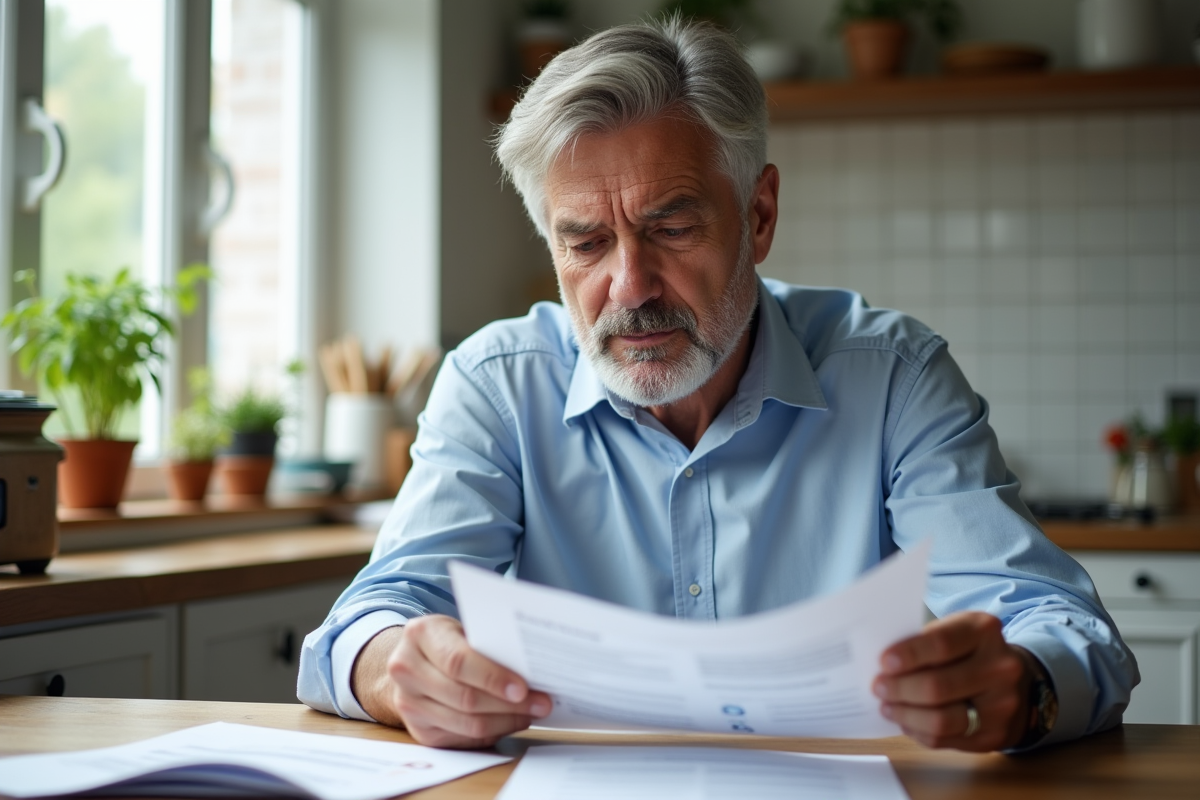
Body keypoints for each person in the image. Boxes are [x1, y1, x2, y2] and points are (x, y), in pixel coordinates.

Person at [298, 17, 1137, 753]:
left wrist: (1024, 685)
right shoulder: (496, 385)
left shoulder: (893, 377)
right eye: (586, 244)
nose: (630, 286)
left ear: (760, 215)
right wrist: (390, 667)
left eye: (671, 227)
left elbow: (1059, 623)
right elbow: (371, 619)